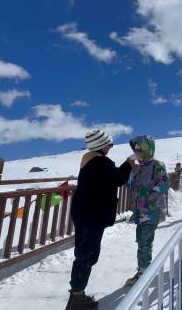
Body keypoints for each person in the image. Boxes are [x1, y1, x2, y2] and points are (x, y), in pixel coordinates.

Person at [67, 129, 133, 310]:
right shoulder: (101, 163)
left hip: (83, 213)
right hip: (92, 215)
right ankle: (78, 301)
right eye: (109, 144)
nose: (111, 147)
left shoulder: (89, 161)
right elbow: (118, 178)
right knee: (87, 255)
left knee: (82, 253)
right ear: (101, 145)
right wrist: (128, 164)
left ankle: (76, 295)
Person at [125, 135, 170, 285]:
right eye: (134, 150)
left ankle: (143, 274)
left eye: (138, 150)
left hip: (151, 211)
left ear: (147, 149)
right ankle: (143, 271)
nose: (136, 152)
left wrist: (148, 198)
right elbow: (131, 187)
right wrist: (131, 171)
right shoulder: (140, 168)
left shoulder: (157, 165)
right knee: (142, 241)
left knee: (144, 242)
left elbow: (163, 184)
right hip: (141, 212)